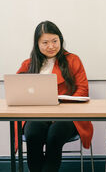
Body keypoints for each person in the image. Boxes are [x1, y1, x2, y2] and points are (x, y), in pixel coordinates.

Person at [15, 21, 93, 172]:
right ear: (37, 44)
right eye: (45, 42)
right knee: (32, 135)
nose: (51, 46)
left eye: (54, 41)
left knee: (55, 135)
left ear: (60, 40)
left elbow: (82, 90)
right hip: (37, 115)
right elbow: (18, 91)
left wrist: (61, 111)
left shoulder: (73, 60)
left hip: (69, 116)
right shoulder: (28, 64)